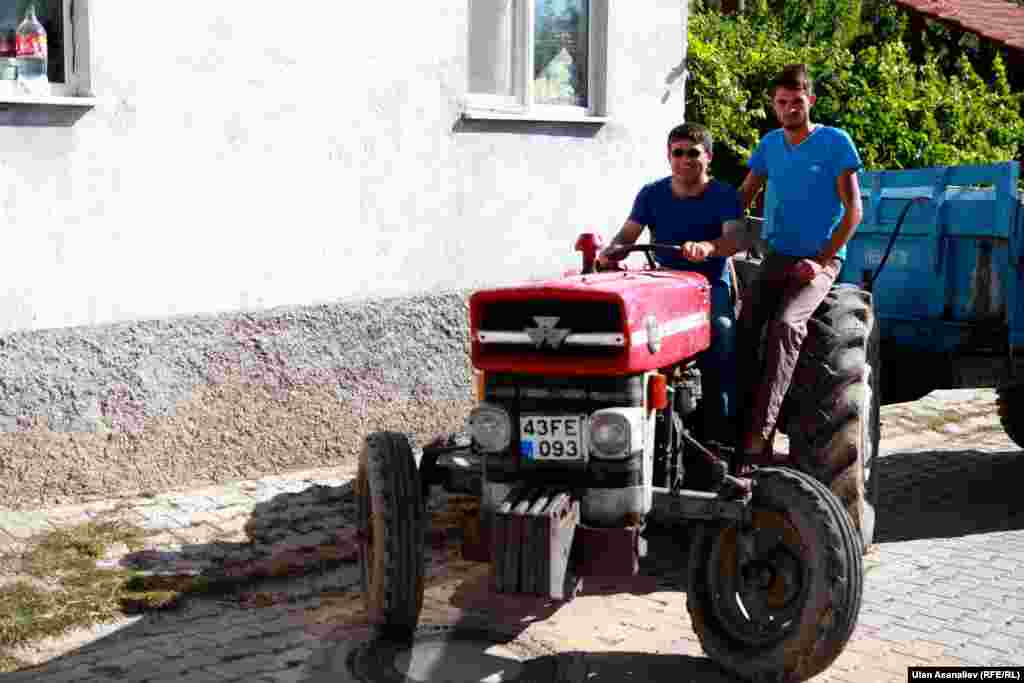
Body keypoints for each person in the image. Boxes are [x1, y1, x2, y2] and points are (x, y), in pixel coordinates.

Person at [736, 63, 864, 463]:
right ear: (774, 105)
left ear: (811, 100)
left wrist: (822, 260)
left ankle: (761, 435)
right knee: (740, 330)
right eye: (781, 102)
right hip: (777, 255)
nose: (789, 108)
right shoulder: (770, 145)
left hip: (820, 260)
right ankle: (728, 425)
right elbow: (743, 196)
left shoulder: (835, 143)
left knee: (788, 326)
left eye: (796, 101)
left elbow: (854, 210)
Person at [597, 122, 746, 440]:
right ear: (669, 156)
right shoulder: (652, 194)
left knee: (721, 333)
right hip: (661, 285)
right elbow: (627, 235)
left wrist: (708, 247)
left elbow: (734, 239)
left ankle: (722, 434)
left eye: (693, 153)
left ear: (708, 157)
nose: (685, 160)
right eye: (678, 153)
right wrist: (609, 253)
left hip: (707, 286)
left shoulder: (724, 195)